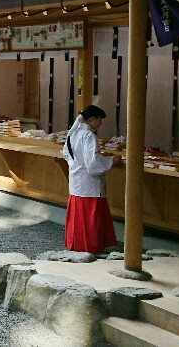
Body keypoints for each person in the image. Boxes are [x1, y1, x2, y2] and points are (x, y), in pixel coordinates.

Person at [62, 105, 117, 254]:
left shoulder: (73, 133)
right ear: (92, 119)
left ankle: (76, 242)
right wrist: (111, 160)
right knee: (91, 217)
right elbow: (92, 164)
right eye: (100, 119)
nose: (101, 123)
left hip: (76, 177)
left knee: (79, 216)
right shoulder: (89, 136)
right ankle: (92, 245)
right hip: (89, 181)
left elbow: (67, 154)